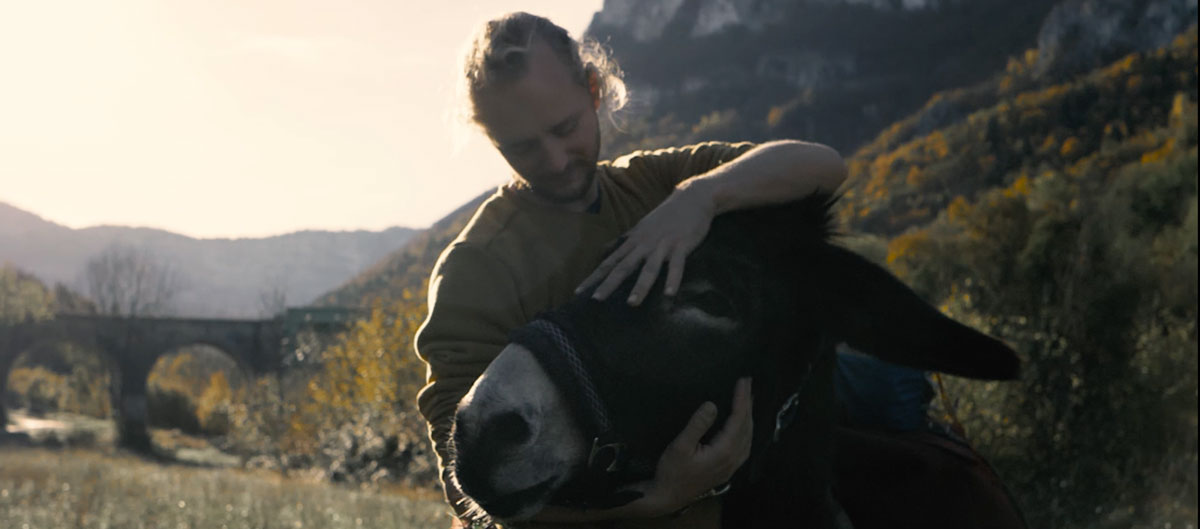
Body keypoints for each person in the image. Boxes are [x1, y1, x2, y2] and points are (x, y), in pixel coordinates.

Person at [415, 12, 847, 529]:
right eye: (523, 147)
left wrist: (700, 198)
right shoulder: (474, 268)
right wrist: (655, 502)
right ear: (492, 141)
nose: (554, 161)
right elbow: (470, 488)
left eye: (565, 128)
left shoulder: (657, 183)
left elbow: (822, 168)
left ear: (594, 90)